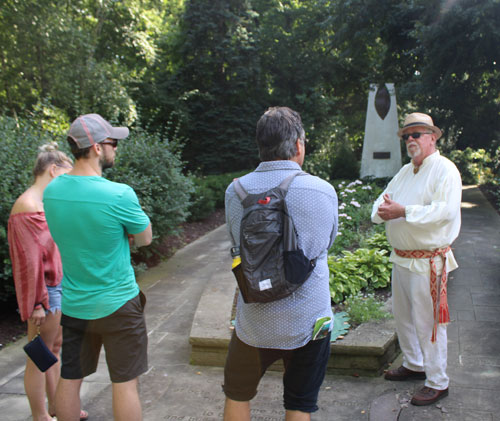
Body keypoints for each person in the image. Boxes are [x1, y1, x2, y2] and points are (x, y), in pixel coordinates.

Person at [223, 106, 338, 420]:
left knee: (236, 394)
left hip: (253, 321)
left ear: (261, 146)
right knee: (299, 403)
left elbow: (237, 244)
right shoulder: (322, 190)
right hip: (308, 320)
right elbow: (325, 244)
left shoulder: (235, 191)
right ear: (298, 146)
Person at [43, 114, 152, 421]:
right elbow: (144, 238)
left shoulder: (52, 192)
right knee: (125, 382)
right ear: (94, 147)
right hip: (119, 303)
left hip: (75, 304)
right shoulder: (118, 194)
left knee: (71, 377)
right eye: (112, 143)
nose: (116, 148)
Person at [371, 112, 462, 406]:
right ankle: (414, 364)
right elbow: (383, 199)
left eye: (417, 134)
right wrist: (380, 213)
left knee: (429, 323)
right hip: (401, 259)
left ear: (432, 137)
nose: (410, 140)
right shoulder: (404, 171)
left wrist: (404, 212)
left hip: (428, 262)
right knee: (404, 317)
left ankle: (438, 381)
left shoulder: (445, 170)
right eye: (406, 136)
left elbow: (444, 211)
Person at [8, 143, 89, 421]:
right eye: (66, 175)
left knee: (52, 350)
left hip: (56, 289)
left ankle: (57, 406)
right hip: (45, 295)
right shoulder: (27, 207)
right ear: (53, 171)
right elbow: (30, 264)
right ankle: (41, 416)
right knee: (37, 358)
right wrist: (37, 304)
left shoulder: (41, 204)